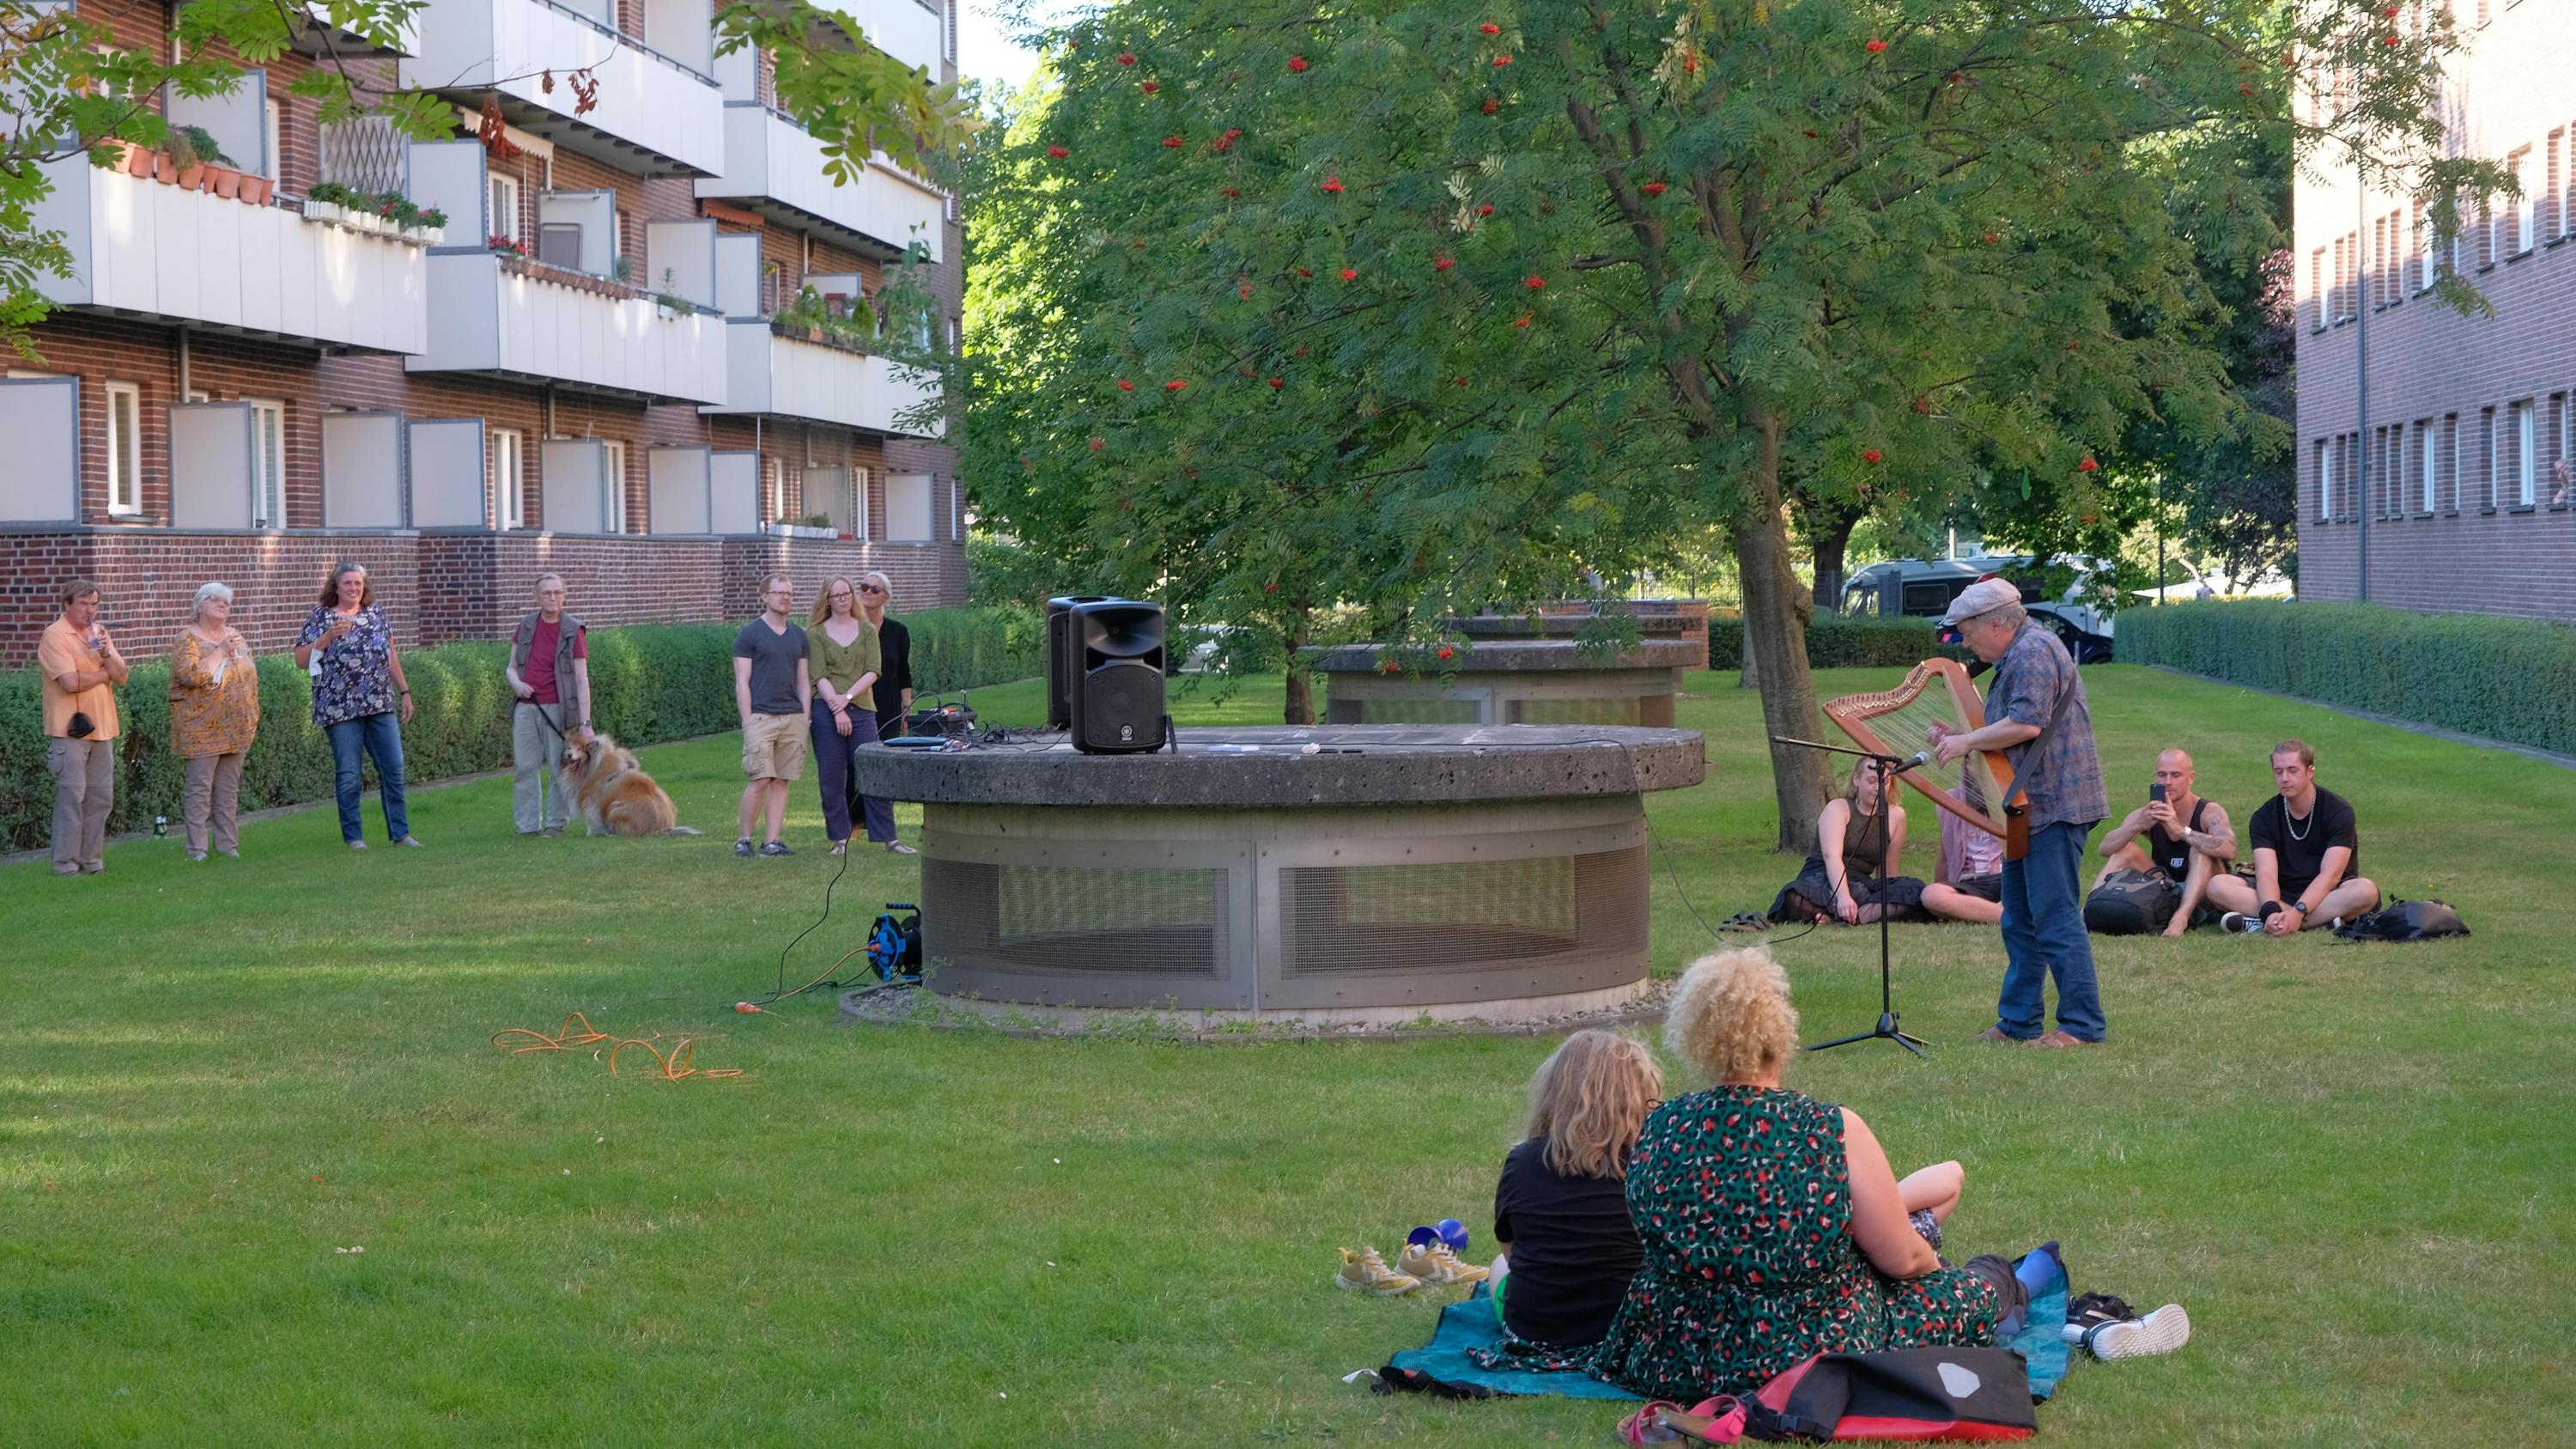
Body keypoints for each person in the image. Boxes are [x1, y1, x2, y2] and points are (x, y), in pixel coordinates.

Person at [1550, 947, 2028, 1401]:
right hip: (1808, 1355)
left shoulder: (1661, 1125)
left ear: (1697, 1038)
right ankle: (2018, 1279)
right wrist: (1933, 1272)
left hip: (1673, 1354)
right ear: (1780, 1031)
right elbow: (1903, 1260)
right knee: (1975, 1286)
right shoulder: (1831, 1128)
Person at [1930, 577, 2109, 1049]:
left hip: (2055, 805)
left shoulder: (2032, 650)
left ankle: (2081, 1027)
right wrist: (1958, 734)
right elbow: (2011, 726)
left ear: (1995, 623)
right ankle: (2018, 1022)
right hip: (2028, 807)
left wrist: (1967, 740)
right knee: (2019, 918)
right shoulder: (2022, 651)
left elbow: (2027, 722)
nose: (1963, 641)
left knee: (2055, 917)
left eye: (1966, 631)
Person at [1488, 1031, 1664, 1349]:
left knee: (1497, 1268)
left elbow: (1512, 1254)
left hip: (1536, 1335)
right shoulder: (1652, 1165)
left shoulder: (1522, 1162)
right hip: (1626, 1336)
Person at [296, 561, 421, 849]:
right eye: (347, 583)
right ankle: (354, 837)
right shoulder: (320, 617)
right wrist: (326, 638)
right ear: (336, 587)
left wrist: (405, 691)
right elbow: (301, 661)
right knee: (349, 772)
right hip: (339, 708)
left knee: (393, 766)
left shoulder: (376, 614)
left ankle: (400, 834)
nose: (353, 588)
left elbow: (390, 654)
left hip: (379, 702)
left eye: (358, 583)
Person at [2202, 740, 2379, 935]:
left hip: (2328, 894)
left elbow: (2331, 875)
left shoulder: (2338, 811)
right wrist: (2270, 910)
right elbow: (2266, 874)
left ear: (2310, 772)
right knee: (2218, 886)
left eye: (2292, 770)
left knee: (2365, 890)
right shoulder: (2264, 817)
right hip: (2281, 891)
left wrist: (2299, 911)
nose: (2284, 778)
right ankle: (2316, 922)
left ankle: (2265, 923)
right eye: (2278, 771)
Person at [806, 576, 908, 855]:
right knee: (832, 776)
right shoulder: (815, 633)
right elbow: (817, 675)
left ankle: (890, 839)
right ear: (827, 600)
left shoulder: (866, 630)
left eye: (847, 593)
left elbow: (873, 670)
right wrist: (836, 707)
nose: (844, 599)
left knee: (873, 772)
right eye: (837, 595)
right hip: (825, 709)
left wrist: (847, 699)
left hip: (862, 709)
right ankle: (840, 839)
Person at [2090, 749, 2238, 937]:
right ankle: (2092, 908)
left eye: (2175, 775)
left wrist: (2180, 830)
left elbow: (2230, 849)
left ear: (2191, 778)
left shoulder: (2209, 812)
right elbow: (2105, 848)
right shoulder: (2150, 814)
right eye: (2162, 775)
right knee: (2125, 850)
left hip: (2206, 893)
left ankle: (2181, 918)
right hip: (2167, 888)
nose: (2167, 782)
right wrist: (2136, 825)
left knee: (2200, 849)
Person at [1766, 756, 1927, 925]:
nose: (1877, 788)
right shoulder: (1838, 808)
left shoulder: (1897, 816)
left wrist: (1890, 893)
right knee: (1794, 896)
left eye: (1884, 782)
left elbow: (1888, 873)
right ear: (1857, 780)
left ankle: (1839, 917)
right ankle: (1851, 914)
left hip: (1861, 884)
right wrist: (1843, 897)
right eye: (1871, 781)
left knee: (1913, 890)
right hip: (1822, 878)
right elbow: (1832, 857)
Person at [38, 577, 128, 875]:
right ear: (67, 604)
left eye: (94, 604)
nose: (89, 610)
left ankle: (92, 861)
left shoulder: (100, 633)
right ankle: (64, 865)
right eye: (83, 604)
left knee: (101, 798)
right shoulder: (55, 635)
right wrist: (105, 674)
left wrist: (105, 656)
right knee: (71, 798)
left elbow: (123, 676)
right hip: (70, 731)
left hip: (103, 727)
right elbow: (69, 682)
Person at [167, 581, 261, 861]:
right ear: (199, 605)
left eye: (227, 602)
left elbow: (249, 676)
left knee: (228, 791)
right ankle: (197, 848)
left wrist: (252, 713)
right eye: (215, 600)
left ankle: (227, 845)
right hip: (201, 728)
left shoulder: (236, 636)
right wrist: (219, 651)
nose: (223, 604)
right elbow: (189, 676)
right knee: (200, 790)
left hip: (235, 727)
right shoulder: (188, 639)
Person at [504, 573, 593, 838]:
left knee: (559, 768)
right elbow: (510, 668)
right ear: (537, 597)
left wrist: (585, 723)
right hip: (526, 706)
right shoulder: (526, 626)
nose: (552, 597)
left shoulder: (573, 630)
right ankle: (527, 826)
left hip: (558, 709)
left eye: (556, 593)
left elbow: (581, 679)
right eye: (546, 593)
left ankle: (555, 825)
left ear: (564, 596)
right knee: (524, 767)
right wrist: (517, 685)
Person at [733, 573, 810, 857]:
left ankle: (772, 842)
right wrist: (748, 719)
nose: (785, 598)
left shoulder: (798, 635)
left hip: (793, 718)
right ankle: (744, 839)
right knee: (760, 779)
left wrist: (805, 716)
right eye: (779, 593)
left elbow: (803, 680)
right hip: (761, 718)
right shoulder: (750, 634)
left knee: (781, 781)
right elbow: (742, 680)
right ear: (765, 597)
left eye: (789, 593)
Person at [1922, 809, 2006, 925]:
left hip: (2009, 875)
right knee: (1932, 894)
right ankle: (2008, 916)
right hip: (1972, 882)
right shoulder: (1951, 801)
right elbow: (1945, 856)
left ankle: (1981, 912)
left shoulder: (2018, 798)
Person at [860, 571, 914, 744]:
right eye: (864, 587)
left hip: (888, 705)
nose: (868, 592)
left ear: (885, 597)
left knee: (886, 753)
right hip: (857, 703)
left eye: (875, 589)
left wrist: (906, 708)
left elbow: (903, 673)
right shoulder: (850, 628)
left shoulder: (898, 631)